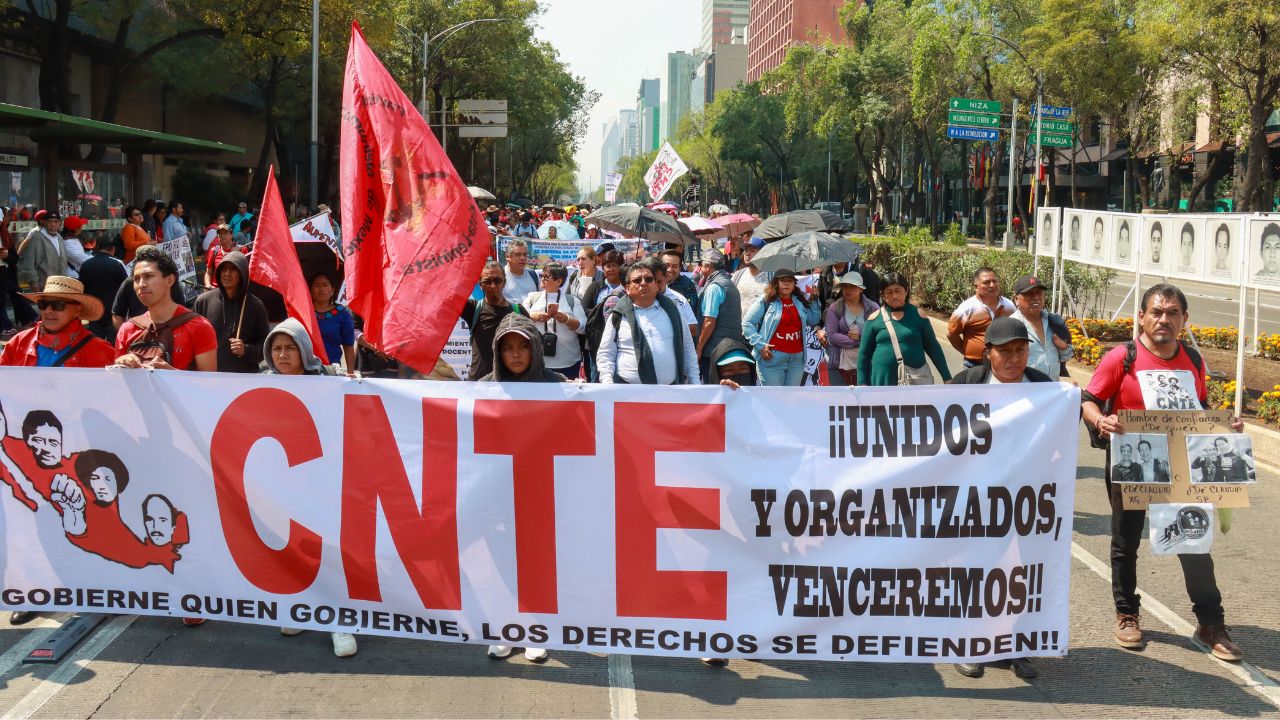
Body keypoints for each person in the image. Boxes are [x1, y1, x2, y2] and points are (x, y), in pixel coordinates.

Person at [1082, 283, 1244, 661]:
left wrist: (1225, 428)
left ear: (1184, 320)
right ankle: (1127, 614)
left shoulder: (1193, 359)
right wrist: (1100, 419)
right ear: (1141, 317)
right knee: (1126, 541)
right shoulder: (1122, 357)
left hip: (1182, 464)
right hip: (1133, 460)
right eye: (1156, 312)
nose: (1164, 319)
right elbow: (1088, 399)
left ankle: (1210, 624)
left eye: (1172, 313)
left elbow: (1198, 408)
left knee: (1194, 540)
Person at [949, 317, 1048, 680]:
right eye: (1005, 351)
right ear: (987, 353)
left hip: (1028, 498)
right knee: (976, 571)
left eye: (1021, 350)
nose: (1014, 358)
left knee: (1022, 573)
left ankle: (1016, 644)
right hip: (976, 497)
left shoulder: (1044, 388)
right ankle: (969, 642)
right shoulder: (965, 385)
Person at [264, 318, 358, 657]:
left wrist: (356, 386)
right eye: (277, 348)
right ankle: (303, 607)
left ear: (304, 350)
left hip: (324, 482)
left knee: (329, 552)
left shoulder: (328, 380)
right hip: (283, 487)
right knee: (293, 548)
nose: (283, 355)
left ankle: (339, 621)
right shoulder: (254, 386)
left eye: (290, 348)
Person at [113, 246, 218, 373]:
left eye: (149, 276)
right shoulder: (127, 330)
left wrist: (171, 375)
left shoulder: (199, 327)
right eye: (136, 279)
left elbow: (210, 385)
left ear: (170, 280)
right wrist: (122, 364)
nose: (141, 284)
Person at [597, 262, 700, 385]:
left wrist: (695, 384)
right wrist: (607, 383)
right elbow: (606, 353)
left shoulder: (674, 310)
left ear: (656, 285)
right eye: (637, 280)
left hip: (669, 393)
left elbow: (688, 349)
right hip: (627, 394)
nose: (643, 283)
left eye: (649, 279)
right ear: (628, 288)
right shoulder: (618, 314)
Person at [0, 276, 117, 368]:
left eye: (58, 305)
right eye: (43, 304)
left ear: (78, 309)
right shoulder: (18, 342)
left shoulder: (100, 350)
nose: (48, 310)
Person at [858, 273, 951, 386]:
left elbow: (933, 348)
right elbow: (864, 354)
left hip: (914, 381)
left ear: (906, 291)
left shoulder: (918, 315)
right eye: (889, 292)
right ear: (882, 294)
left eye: (898, 291)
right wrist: (862, 383)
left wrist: (947, 377)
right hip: (883, 380)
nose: (894, 296)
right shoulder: (874, 319)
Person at [741, 268, 821, 386]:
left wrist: (814, 300)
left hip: (796, 362)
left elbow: (813, 319)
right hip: (771, 360)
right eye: (782, 280)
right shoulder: (766, 300)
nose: (786, 283)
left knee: (790, 401)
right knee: (773, 401)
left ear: (794, 285)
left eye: (790, 281)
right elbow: (747, 323)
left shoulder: (798, 301)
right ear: (776, 283)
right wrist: (760, 345)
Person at [193, 251, 270, 373]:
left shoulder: (256, 306)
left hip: (243, 381)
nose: (227, 274)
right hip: (210, 379)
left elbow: (266, 348)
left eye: (233, 269)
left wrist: (246, 349)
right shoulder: (203, 302)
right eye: (224, 269)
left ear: (242, 274)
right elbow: (193, 341)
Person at [461, 261, 527, 380]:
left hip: (511, 384)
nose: (493, 286)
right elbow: (447, 294)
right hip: (479, 383)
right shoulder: (472, 309)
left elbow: (535, 346)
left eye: (497, 280)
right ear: (480, 285)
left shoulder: (519, 311)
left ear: (504, 282)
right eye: (487, 281)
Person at [524, 262, 587, 379]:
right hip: (538, 361)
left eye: (546, 277)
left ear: (559, 281)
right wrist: (532, 316)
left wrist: (567, 319)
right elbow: (519, 320)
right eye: (541, 276)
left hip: (568, 361)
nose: (542, 279)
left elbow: (583, 328)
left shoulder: (572, 301)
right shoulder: (532, 298)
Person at [947, 267, 1015, 368]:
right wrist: (968, 352)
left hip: (1003, 365)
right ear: (976, 286)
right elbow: (952, 335)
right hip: (973, 366)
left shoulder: (1009, 306)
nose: (992, 285)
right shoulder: (966, 308)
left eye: (995, 281)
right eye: (986, 282)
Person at [1008, 275, 1072, 378]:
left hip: (1052, 387)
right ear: (1016, 299)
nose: (1036, 297)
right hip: (1025, 389)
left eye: (1039, 293)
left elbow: (1067, 356)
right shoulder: (1010, 326)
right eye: (1029, 293)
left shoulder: (1054, 321)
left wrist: (1063, 347)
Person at [695, 250, 745, 381]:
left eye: (701, 265)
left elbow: (709, 321)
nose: (699, 268)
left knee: (713, 391)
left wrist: (699, 349)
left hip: (714, 350)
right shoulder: (729, 283)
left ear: (707, 266)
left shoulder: (714, 287)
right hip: (729, 349)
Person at [823, 271, 880, 386]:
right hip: (839, 363)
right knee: (841, 400)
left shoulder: (873, 307)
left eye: (852, 286)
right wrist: (856, 341)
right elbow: (832, 336)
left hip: (869, 363)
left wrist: (861, 335)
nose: (847, 290)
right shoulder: (835, 308)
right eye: (845, 286)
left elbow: (879, 333)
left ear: (860, 289)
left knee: (866, 400)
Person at [581, 250, 626, 379]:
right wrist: (601, 315)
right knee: (596, 375)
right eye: (607, 266)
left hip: (620, 339)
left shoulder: (627, 288)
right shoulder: (595, 286)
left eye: (615, 266)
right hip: (597, 339)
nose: (611, 269)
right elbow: (584, 307)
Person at [76, 233, 129, 341]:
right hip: (113, 309)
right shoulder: (117, 264)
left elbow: (81, 287)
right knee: (114, 341)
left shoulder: (86, 264)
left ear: (98, 248)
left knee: (95, 340)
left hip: (94, 309)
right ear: (113, 249)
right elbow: (126, 286)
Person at [309, 272, 355, 371]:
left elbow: (348, 346)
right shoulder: (303, 312)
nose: (321, 289)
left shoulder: (342, 314)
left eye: (325, 285)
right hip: (305, 368)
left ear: (332, 290)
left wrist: (350, 372)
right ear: (311, 291)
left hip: (331, 369)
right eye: (316, 285)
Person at [645, 256, 698, 340]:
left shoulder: (679, 299)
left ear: (666, 277)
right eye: (650, 281)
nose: (654, 286)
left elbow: (693, 328)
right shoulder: (637, 300)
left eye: (659, 282)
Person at [17, 210, 67, 291]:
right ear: (44, 222)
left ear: (59, 223)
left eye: (56, 221)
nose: (53, 224)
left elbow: (63, 260)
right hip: (43, 284)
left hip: (59, 284)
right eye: (50, 221)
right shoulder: (36, 235)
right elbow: (29, 260)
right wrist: (33, 281)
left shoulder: (59, 236)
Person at [731, 238, 772, 313]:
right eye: (746, 250)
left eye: (752, 250)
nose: (747, 253)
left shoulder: (772, 277)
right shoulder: (737, 276)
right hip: (738, 324)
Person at [502, 239, 540, 303]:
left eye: (525, 254)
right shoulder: (500, 277)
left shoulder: (534, 276)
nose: (522, 258)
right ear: (507, 256)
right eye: (518, 254)